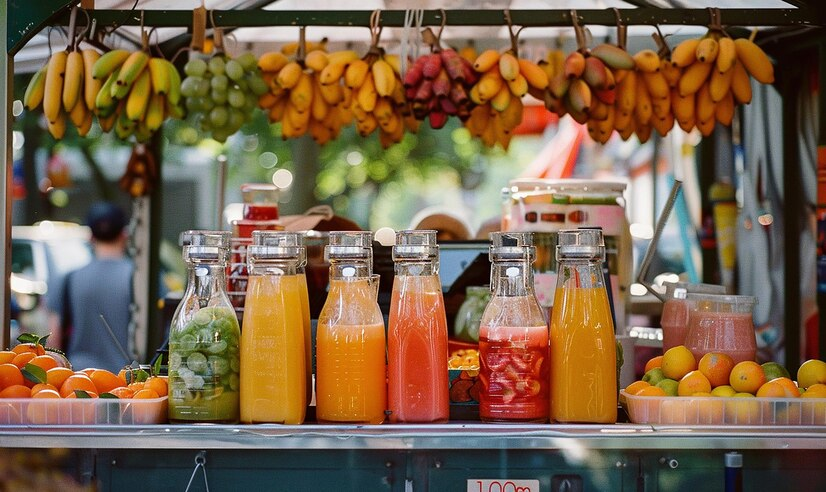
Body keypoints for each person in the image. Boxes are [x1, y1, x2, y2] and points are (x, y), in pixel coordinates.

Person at [60, 202, 134, 373]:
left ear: (91, 237)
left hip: (78, 381)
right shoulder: (139, 279)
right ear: (125, 234)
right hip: (127, 383)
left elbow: (55, 335)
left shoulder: (71, 278)